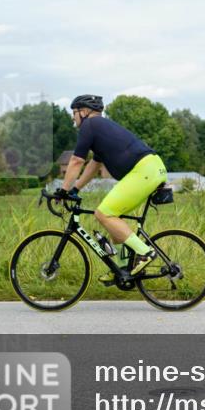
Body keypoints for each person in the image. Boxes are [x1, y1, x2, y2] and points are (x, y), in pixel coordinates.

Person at [58, 95, 167, 283]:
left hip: (143, 171)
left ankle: (144, 252)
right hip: (150, 168)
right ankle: (122, 269)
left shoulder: (89, 126)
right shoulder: (100, 128)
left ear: (83, 112)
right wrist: (75, 188)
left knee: (103, 214)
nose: (73, 118)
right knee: (113, 219)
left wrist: (63, 190)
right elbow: (94, 165)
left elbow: (77, 161)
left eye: (74, 113)